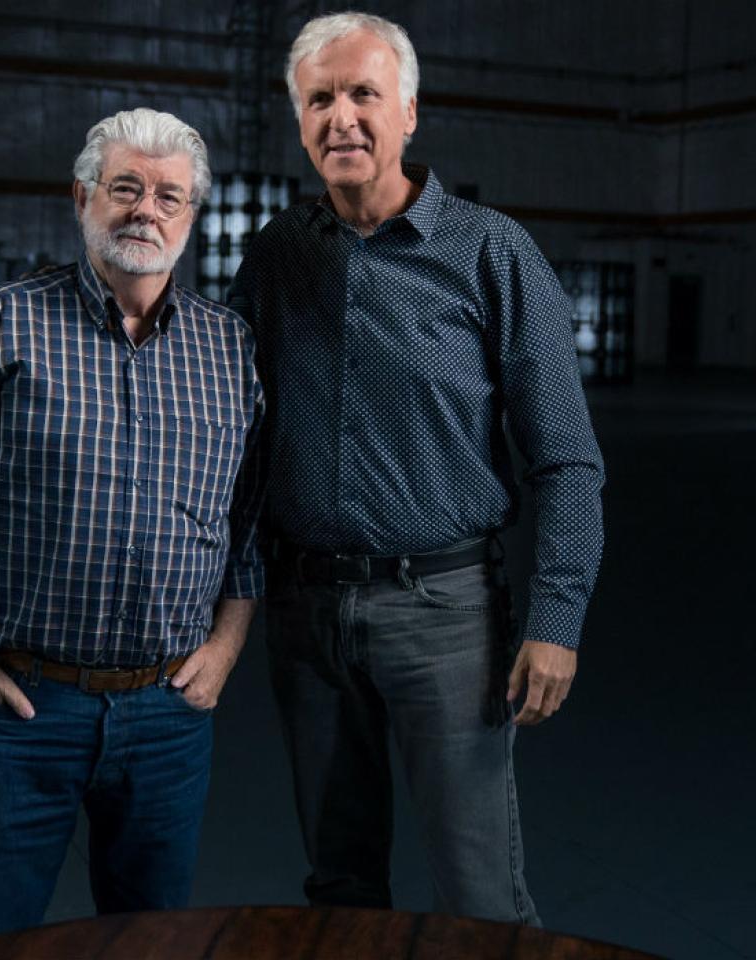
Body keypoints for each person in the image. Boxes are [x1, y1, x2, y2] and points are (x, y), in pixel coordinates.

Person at [228, 12, 605, 926]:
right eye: (320, 99)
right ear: (301, 119)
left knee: (477, 890)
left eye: (364, 94)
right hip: (307, 615)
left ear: (408, 113)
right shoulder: (277, 256)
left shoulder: (491, 251)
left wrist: (557, 617)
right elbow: (235, 435)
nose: (342, 117)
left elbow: (567, 458)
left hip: (443, 615)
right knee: (339, 885)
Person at [0, 107, 265, 944]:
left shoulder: (228, 348)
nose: (146, 211)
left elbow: (247, 522)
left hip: (170, 713)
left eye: (170, 196)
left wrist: (226, 649)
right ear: (82, 196)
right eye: (125, 188)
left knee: (150, 938)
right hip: (27, 708)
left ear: (192, 217)